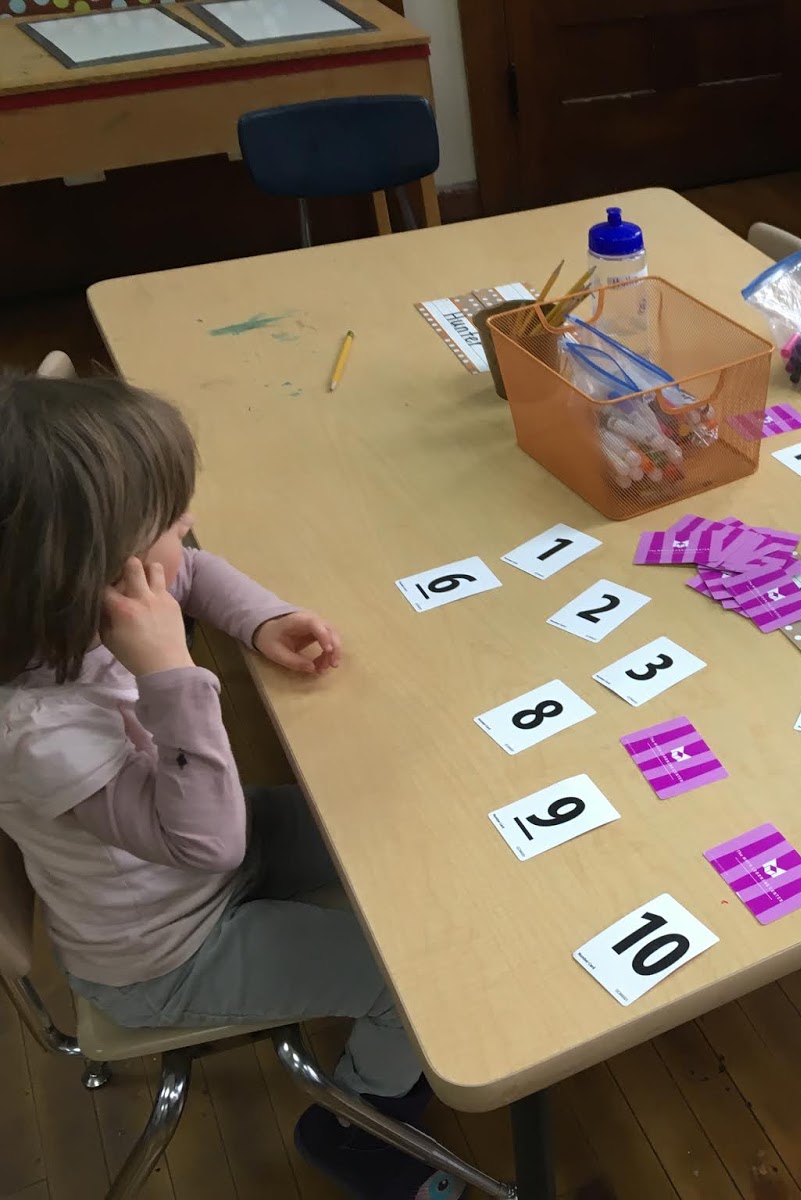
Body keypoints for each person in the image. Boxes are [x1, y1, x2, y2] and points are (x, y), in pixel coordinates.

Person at [0, 364, 460, 1200]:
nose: (190, 528)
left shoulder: (73, 599)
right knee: (418, 987)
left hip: (198, 861)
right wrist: (173, 673)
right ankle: (356, 1127)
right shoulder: (39, 734)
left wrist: (264, 619)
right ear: (94, 575)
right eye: (168, 523)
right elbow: (211, 845)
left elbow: (194, 573)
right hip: (167, 952)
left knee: (399, 822)